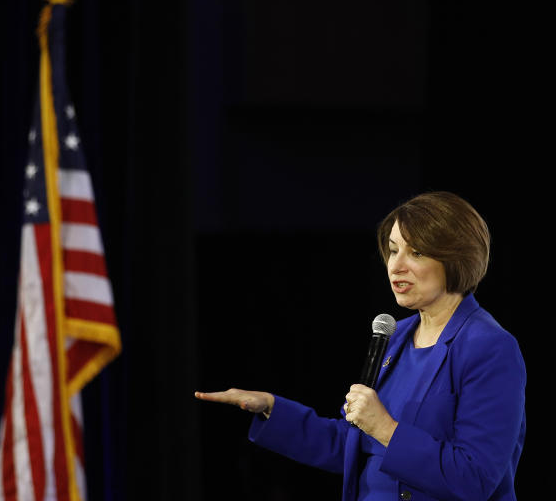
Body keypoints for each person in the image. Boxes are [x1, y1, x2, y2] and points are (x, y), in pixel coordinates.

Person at [194, 191, 526, 501]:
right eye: (394, 250)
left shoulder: (490, 348)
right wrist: (270, 407)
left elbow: (475, 477)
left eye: (417, 252)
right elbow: (352, 444)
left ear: (458, 258)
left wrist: (386, 428)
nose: (396, 266)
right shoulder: (395, 336)